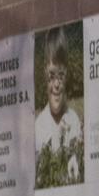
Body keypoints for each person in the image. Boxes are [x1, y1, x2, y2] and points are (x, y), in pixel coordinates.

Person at [34, 40, 84, 188]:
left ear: (67, 76)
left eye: (60, 76)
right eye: (51, 76)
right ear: (44, 75)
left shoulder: (74, 120)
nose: (56, 84)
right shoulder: (38, 127)